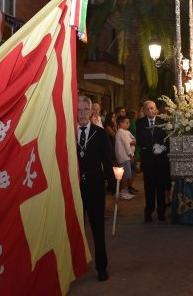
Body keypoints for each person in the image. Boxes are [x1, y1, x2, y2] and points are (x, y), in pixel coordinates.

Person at [76, 95, 116, 282]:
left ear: (92, 112)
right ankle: (74, 267)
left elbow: (107, 161)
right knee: (75, 228)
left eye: (85, 109)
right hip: (74, 188)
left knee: (98, 228)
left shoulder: (100, 134)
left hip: (95, 187)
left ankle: (102, 267)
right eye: (78, 110)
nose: (82, 113)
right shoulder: (67, 133)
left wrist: (113, 182)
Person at [136, 100, 170, 222]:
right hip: (148, 159)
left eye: (152, 108)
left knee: (160, 186)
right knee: (149, 187)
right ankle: (148, 211)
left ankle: (161, 212)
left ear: (156, 109)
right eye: (147, 109)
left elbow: (167, 139)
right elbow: (140, 140)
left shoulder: (163, 122)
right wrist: (153, 146)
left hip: (161, 160)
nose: (150, 111)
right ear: (144, 110)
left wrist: (163, 147)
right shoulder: (140, 123)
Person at [115, 115, 136, 200]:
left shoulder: (124, 131)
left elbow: (134, 140)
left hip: (125, 157)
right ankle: (123, 193)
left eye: (128, 122)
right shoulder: (122, 132)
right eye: (126, 123)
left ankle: (124, 191)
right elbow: (127, 145)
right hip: (125, 157)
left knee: (126, 175)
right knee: (125, 176)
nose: (128, 124)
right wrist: (130, 155)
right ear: (120, 123)